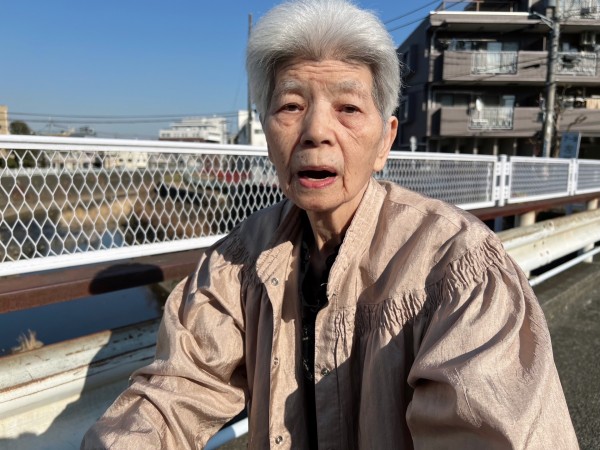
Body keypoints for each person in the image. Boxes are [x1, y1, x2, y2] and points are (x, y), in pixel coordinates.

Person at [82, 0, 578, 448]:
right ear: (267, 135)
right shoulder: (237, 262)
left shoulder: (456, 264)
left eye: (348, 108)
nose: (316, 130)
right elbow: (175, 392)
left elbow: (487, 427)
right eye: (291, 106)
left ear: (385, 141)